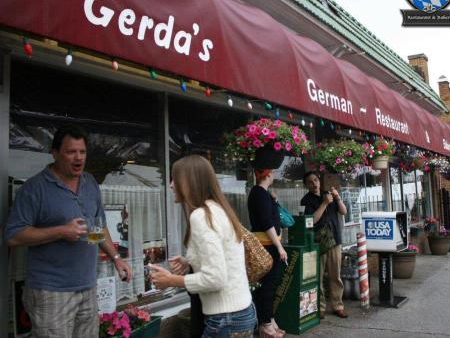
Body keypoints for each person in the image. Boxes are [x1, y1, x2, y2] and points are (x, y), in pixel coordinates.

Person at [5, 124, 132, 338]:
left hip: (88, 286)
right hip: (51, 291)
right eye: (71, 152)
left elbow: (97, 227)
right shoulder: (35, 188)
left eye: (82, 152)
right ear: (55, 153)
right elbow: (13, 236)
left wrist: (117, 258)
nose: (78, 158)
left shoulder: (90, 183)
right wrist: (61, 231)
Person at [149, 155, 256, 337]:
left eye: (175, 179)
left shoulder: (201, 216)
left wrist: (171, 281)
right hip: (240, 312)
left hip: (226, 319)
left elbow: (215, 278)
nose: (171, 185)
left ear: (189, 181)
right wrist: (189, 260)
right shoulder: (217, 209)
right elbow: (224, 255)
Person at [300, 171, 348, 319]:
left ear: (319, 181)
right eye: (310, 182)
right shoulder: (306, 201)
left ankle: (338, 306)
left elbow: (343, 211)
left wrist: (337, 198)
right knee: (318, 278)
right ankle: (319, 308)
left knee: (336, 276)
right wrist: (325, 203)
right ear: (306, 185)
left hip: (335, 241)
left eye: (315, 180)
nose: (314, 184)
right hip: (318, 243)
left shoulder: (329, 194)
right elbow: (311, 221)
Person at [248, 169, 287, 338]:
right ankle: (265, 324)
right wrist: (279, 246)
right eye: (272, 173)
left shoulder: (263, 194)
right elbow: (266, 222)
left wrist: (274, 201)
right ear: (267, 175)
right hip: (267, 245)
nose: (274, 176)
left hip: (269, 243)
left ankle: (269, 319)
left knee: (270, 284)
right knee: (267, 285)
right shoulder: (259, 193)